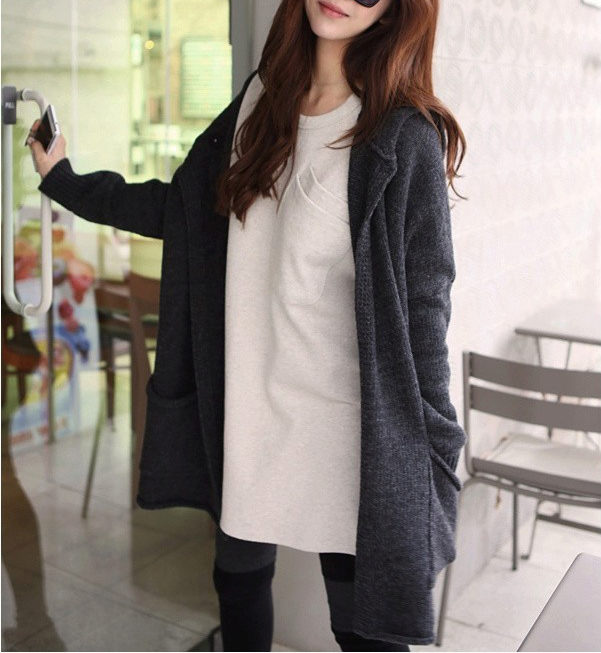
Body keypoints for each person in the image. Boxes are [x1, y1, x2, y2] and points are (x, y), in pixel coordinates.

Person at [28, 0, 467, 650]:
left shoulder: (402, 137)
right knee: (238, 590)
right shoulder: (260, 101)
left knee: (363, 631)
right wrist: (66, 182)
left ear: (394, 11)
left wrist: (433, 448)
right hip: (249, 414)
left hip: (347, 433)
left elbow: (425, 306)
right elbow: (183, 209)